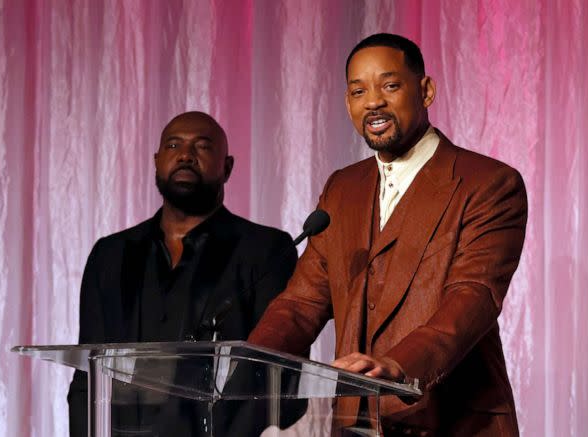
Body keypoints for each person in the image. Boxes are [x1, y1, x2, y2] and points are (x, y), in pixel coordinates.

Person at [248, 33, 527, 436]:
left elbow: (473, 295)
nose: (373, 101)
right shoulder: (343, 189)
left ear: (426, 90)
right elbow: (302, 301)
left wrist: (399, 364)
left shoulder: (488, 183)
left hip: (452, 421)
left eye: (390, 86)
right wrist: (252, 359)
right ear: (348, 104)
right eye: (358, 91)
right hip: (357, 425)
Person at [67, 111, 298, 436]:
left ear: (227, 167)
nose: (186, 155)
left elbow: (277, 375)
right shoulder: (110, 254)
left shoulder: (265, 250)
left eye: (202, 147)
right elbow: (86, 375)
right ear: (156, 160)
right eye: (174, 145)